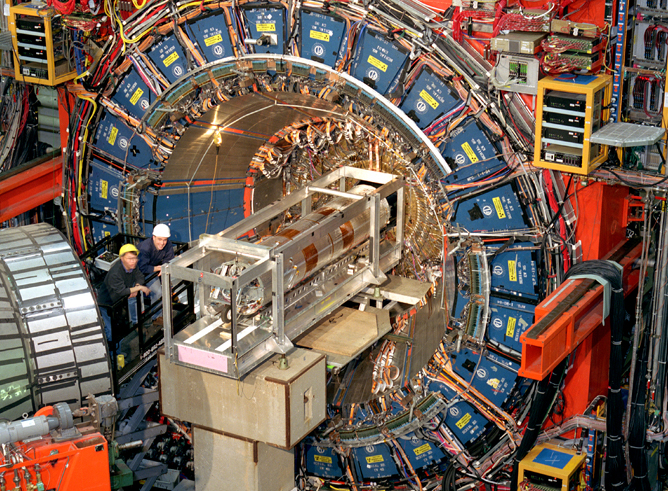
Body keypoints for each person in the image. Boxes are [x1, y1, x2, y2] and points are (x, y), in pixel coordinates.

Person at [97, 244, 151, 351]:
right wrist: (139, 288)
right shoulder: (115, 273)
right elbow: (121, 291)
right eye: (130, 258)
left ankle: (119, 352)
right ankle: (113, 357)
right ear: (122, 258)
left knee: (120, 330)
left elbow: (139, 276)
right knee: (111, 332)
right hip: (107, 305)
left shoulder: (132, 266)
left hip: (118, 304)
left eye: (135, 258)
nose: (133, 261)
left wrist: (136, 286)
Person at [137, 223, 175, 306]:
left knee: (158, 293)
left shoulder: (168, 244)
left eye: (164, 240)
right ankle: (134, 319)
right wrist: (159, 268)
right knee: (133, 298)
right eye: (159, 239)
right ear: (153, 237)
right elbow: (142, 267)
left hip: (150, 272)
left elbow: (169, 259)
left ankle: (157, 317)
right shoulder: (145, 248)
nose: (162, 243)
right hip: (136, 273)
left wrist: (164, 267)